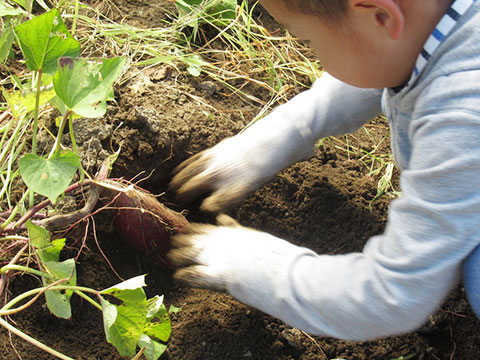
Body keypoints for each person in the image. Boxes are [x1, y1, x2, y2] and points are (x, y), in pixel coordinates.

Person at [168, 0, 480, 340]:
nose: (313, 54)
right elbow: (381, 56)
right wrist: (281, 135)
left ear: (379, 14)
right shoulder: (439, 18)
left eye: (307, 41)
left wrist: (251, 265)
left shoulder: (462, 117)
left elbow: (391, 296)